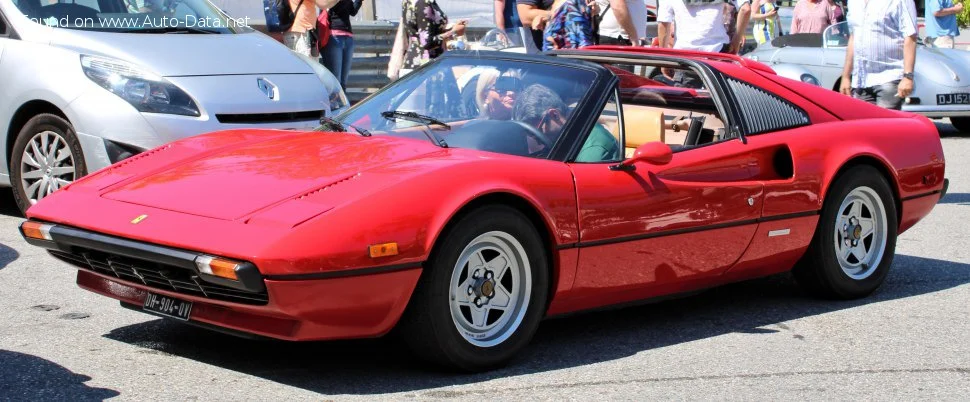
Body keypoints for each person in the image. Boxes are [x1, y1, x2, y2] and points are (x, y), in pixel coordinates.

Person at [839, 0, 918, 110]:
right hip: (861, 80)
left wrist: (908, 77)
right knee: (862, 126)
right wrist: (846, 76)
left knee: (886, 126)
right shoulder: (853, 2)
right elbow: (853, 37)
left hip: (889, 77)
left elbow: (910, 37)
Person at [513, 84, 619, 162]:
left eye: (536, 130)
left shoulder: (592, 151)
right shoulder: (563, 134)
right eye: (527, 131)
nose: (533, 137)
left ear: (555, 115)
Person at [657, 0, 752, 54]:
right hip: (719, 54)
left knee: (687, 89)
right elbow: (745, 9)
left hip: (685, 58)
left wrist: (664, 58)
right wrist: (736, 40)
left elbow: (664, 24)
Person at [399, 0, 467, 73]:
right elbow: (427, 42)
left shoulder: (409, 1)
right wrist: (453, 32)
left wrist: (452, 29)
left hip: (415, 61)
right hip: (427, 65)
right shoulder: (423, 3)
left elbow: (421, 32)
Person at [320, 0, 364, 88]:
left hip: (348, 37)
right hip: (334, 36)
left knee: (343, 81)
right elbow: (325, 6)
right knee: (336, 79)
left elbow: (352, 11)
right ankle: (334, 101)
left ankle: (341, 101)